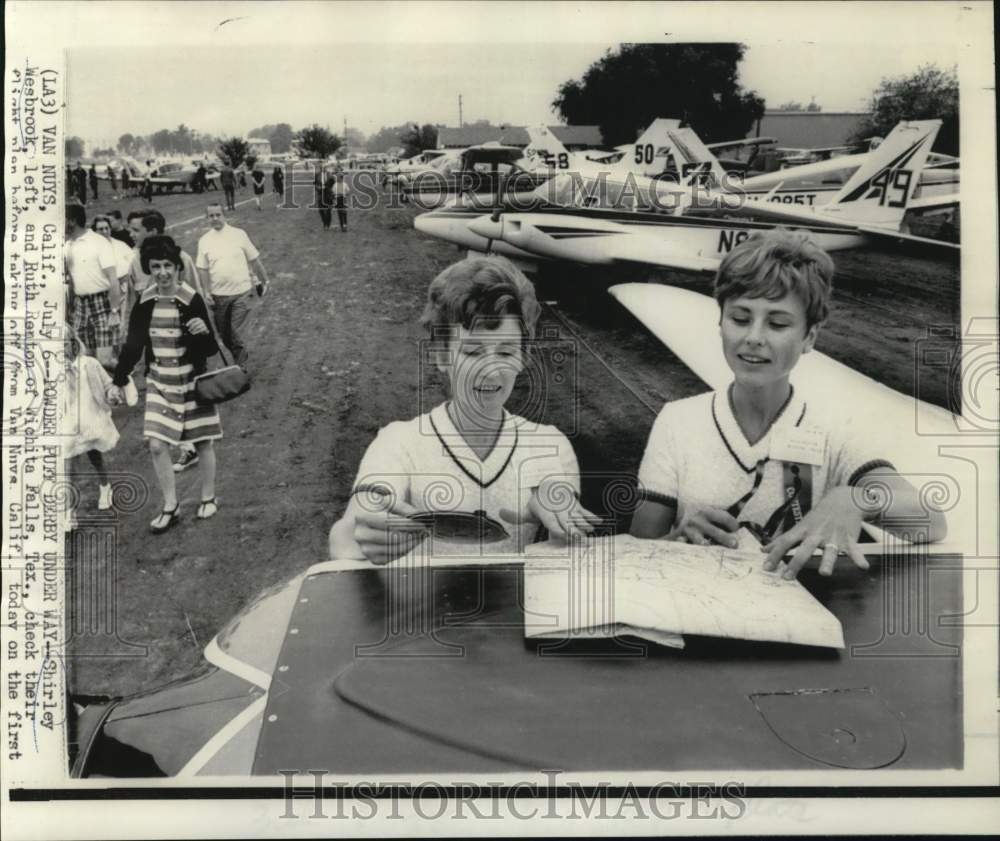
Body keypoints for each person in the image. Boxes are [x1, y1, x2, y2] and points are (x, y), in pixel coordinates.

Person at [629, 229, 947, 579]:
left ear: (809, 337)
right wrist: (677, 539)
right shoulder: (677, 421)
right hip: (698, 614)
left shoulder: (834, 429)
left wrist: (856, 500)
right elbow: (638, 552)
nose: (754, 338)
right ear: (720, 322)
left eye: (778, 323)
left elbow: (931, 520)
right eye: (740, 318)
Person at [328, 256, 599, 563]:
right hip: (418, 607)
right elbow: (349, 532)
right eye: (472, 351)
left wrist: (559, 519)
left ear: (524, 357)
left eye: (507, 351)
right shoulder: (399, 442)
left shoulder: (550, 444)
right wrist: (360, 536)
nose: (491, 370)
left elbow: (564, 558)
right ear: (442, 356)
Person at [108, 236, 222, 533]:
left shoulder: (191, 298)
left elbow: (210, 347)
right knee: (156, 445)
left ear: (177, 267)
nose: (162, 272)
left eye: (167, 265)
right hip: (160, 382)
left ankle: (208, 496)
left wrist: (201, 332)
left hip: (192, 381)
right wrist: (117, 381)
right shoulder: (144, 302)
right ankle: (171, 506)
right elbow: (133, 347)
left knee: (202, 441)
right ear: (148, 268)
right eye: (156, 266)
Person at [195, 203, 270, 369]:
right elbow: (202, 269)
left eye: (218, 215)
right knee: (224, 335)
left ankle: (241, 366)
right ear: (207, 218)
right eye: (211, 216)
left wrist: (265, 280)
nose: (215, 218)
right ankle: (240, 357)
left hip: (242, 293)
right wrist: (206, 291)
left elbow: (254, 259)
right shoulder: (204, 241)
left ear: (224, 215)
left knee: (235, 332)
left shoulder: (239, 235)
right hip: (218, 296)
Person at [64, 330, 119, 514]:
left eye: (64, 344)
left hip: (89, 417)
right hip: (67, 423)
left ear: (73, 344)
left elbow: (107, 383)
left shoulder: (89, 364)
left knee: (95, 456)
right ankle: (69, 510)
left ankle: (105, 486)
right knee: (69, 466)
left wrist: (112, 393)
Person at [65, 203, 121, 369]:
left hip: (102, 304)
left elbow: (113, 279)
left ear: (72, 221)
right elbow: (70, 281)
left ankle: (126, 385)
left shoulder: (98, 242)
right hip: (80, 306)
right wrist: (70, 309)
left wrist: (114, 311)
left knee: (106, 362)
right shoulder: (67, 246)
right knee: (86, 362)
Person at [91, 215, 134, 344]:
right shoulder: (91, 249)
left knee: (122, 322)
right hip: (102, 291)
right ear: (94, 232)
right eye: (100, 229)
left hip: (123, 287)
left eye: (106, 228)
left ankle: (120, 352)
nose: (104, 231)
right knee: (104, 325)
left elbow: (132, 264)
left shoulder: (120, 245)